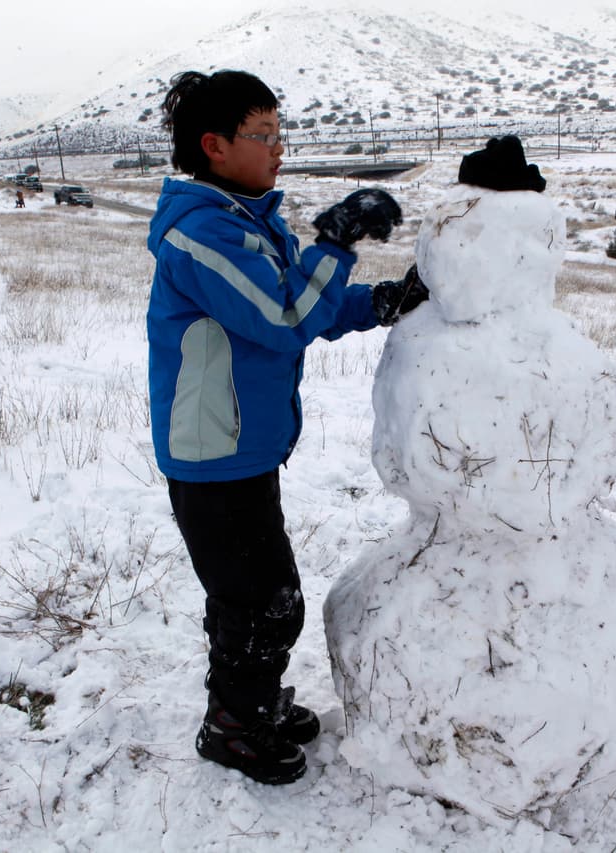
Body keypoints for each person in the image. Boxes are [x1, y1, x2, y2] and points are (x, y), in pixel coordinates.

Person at [145, 69, 428, 786]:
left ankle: (252, 699)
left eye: (279, 132)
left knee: (252, 594)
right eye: (262, 135)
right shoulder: (201, 234)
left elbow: (308, 305)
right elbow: (282, 318)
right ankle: (234, 725)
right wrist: (334, 241)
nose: (278, 147)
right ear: (213, 146)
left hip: (243, 444)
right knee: (264, 602)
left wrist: (382, 300)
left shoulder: (245, 219)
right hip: (214, 452)